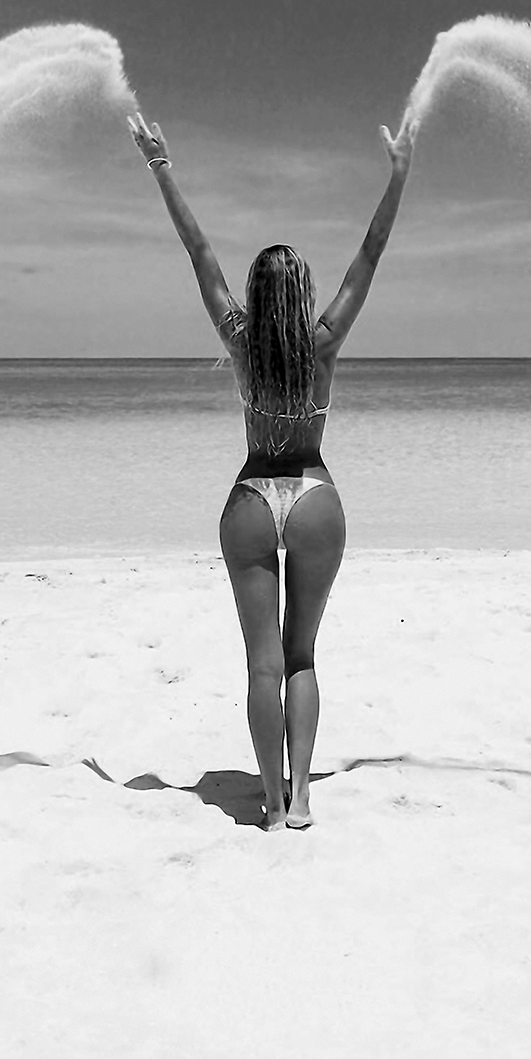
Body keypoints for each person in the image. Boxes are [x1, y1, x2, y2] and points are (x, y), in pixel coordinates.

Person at [128, 109, 416, 830]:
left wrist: (162, 168)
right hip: (314, 494)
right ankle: (304, 797)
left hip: (253, 498)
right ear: (306, 294)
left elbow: (198, 252)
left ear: (257, 296)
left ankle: (271, 799)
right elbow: (371, 254)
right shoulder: (325, 342)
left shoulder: (240, 341)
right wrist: (399, 174)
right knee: (301, 657)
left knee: (262, 664)